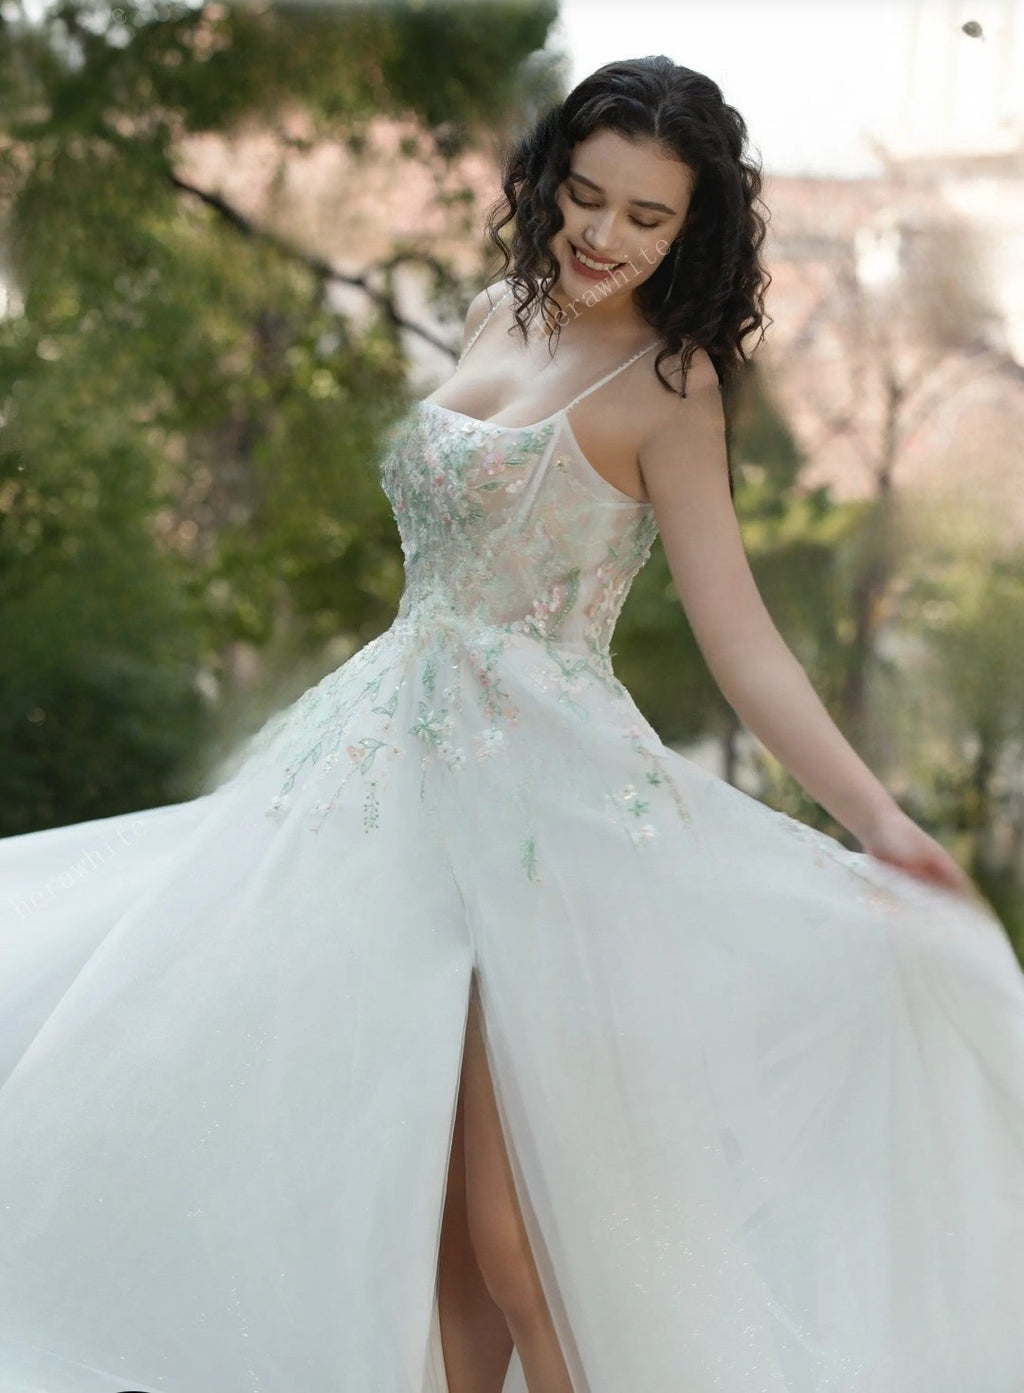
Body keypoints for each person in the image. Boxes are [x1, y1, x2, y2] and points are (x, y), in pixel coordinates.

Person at [0, 53, 1022, 1393]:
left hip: (542, 816)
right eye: (586, 196)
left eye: (647, 217)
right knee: (426, 1229)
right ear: (548, 178)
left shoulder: (671, 384)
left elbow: (739, 638)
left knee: (516, 1244)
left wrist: (878, 819)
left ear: (693, 230)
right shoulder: (495, 309)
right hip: (382, 781)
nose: (602, 237)